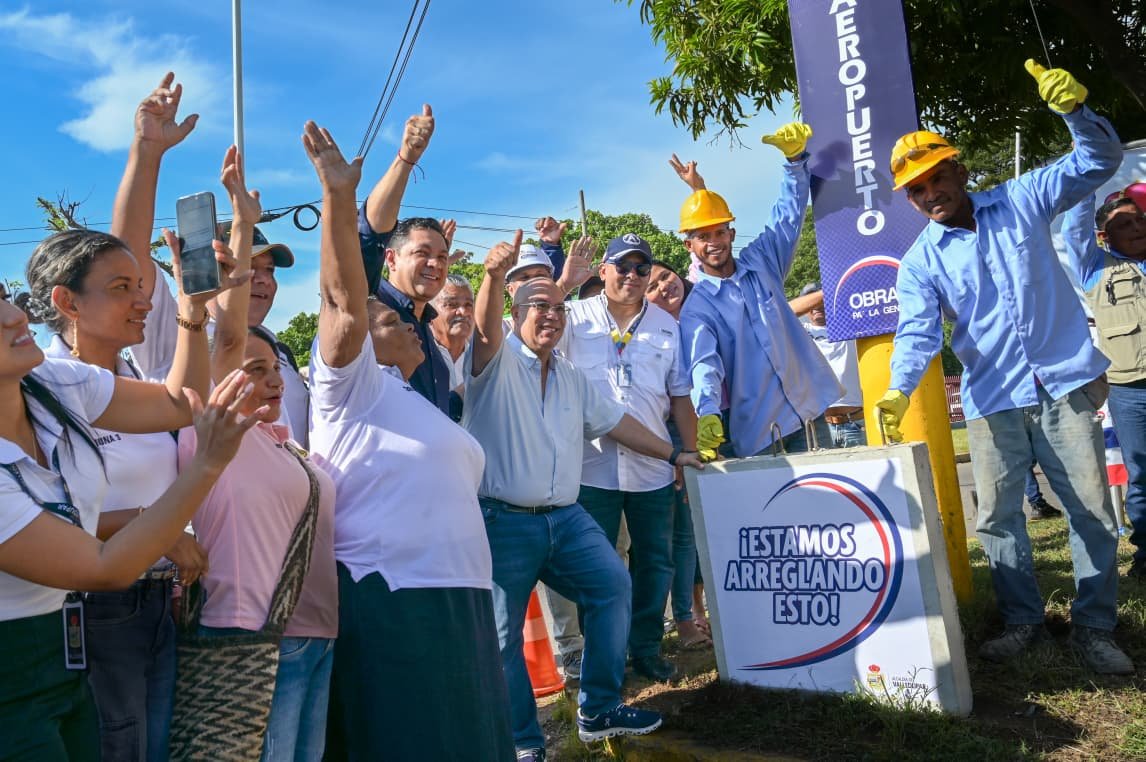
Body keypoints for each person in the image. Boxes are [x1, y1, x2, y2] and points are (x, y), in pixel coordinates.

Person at [874, 61, 1131, 673]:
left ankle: (1095, 627)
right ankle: (1023, 622)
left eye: (938, 178)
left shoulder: (1022, 198)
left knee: (1091, 510)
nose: (930, 193)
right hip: (993, 400)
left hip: (1064, 384)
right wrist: (898, 388)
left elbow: (1096, 162)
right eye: (916, 189)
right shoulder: (919, 262)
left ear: (960, 172)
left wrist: (1075, 113)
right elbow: (915, 333)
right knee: (996, 517)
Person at [300, 121, 513, 760]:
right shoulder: (349, 387)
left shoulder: (423, 393)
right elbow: (343, 301)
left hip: (460, 597)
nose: (402, 323)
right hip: (392, 595)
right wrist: (340, 197)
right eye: (386, 318)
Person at [0, 235, 259, 760]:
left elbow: (175, 403)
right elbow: (104, 567)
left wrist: (191, 309)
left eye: (1, 298)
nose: (12, 316)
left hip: (64, 646)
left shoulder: (49, 383)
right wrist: (206, 465)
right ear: (66, 302)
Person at [463, 231, 704, 758]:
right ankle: (525, 745)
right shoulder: (493, 365)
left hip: (564, 517)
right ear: (515, 311)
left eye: (557, 309)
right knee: (503, 639)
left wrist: (674, 454)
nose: (550, 316)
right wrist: (492, 277)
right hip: (505, 522)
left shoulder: (571, 376)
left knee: (613, 584)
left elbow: (618, 422)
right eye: (537, 307)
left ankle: (598, 707)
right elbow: (483, 333)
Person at [113, 76, 308, 447]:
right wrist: (147, 150)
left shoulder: (276, 351)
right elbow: (128, 256)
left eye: (268, 271)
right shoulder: (174, 332)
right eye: (245, 267)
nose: (261, 280)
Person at [558, 234, 697, 682]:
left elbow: (679, 397)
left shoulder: (666, 325)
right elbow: (517, 333)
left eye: (642, 269)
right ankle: (604, 654)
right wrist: (561, 284)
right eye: (623, 266)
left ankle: (646, 649)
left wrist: (688, 454)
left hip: (653, 468)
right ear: (603, 270)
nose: (633, 276)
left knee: (655, 563)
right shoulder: (573, 316)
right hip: (588, 467)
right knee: (597, 567)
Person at [670, 130, 842, 461]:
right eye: (702, 236)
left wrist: (793, 162)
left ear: (732, 233)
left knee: (832, 506)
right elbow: (704, 364)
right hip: (763, 432)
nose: (714, 242)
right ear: (688, 245)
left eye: (720, 232)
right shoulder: (697, 309)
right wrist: (706, 412)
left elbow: (787, 217)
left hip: (811, 413)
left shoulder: (762, 261)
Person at [1061, 186, 1146, 575]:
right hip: (1129, 391)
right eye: (1124, 224)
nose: (1137, 227)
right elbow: (1073, 230)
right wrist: (1085, 181)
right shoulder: (1095, 268)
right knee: (1141, 472)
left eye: (1140, 219)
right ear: (1104, 238)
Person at [644, 261, 710, 647]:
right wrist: (684, 448)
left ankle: (711, 609)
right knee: (684, 533)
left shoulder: (706, 308)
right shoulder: (654, 332)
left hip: (724, 426)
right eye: (652, 286)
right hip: (674, 434)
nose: (663, 286)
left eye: (665, 276)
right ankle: (687, 615)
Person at [792, 283, 866, 448]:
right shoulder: (799, 330)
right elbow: (786, 311)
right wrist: (822, 294)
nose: (817, 306)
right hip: (819, 429)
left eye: (821, 302)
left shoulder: (850, 326)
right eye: (812, 302)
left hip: (854, 424)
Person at [430, 273, 475, 393]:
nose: (463, 312)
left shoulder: (480, 360)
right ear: (429, 312)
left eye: (468, 305)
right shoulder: (418, 356)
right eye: (451, 304)